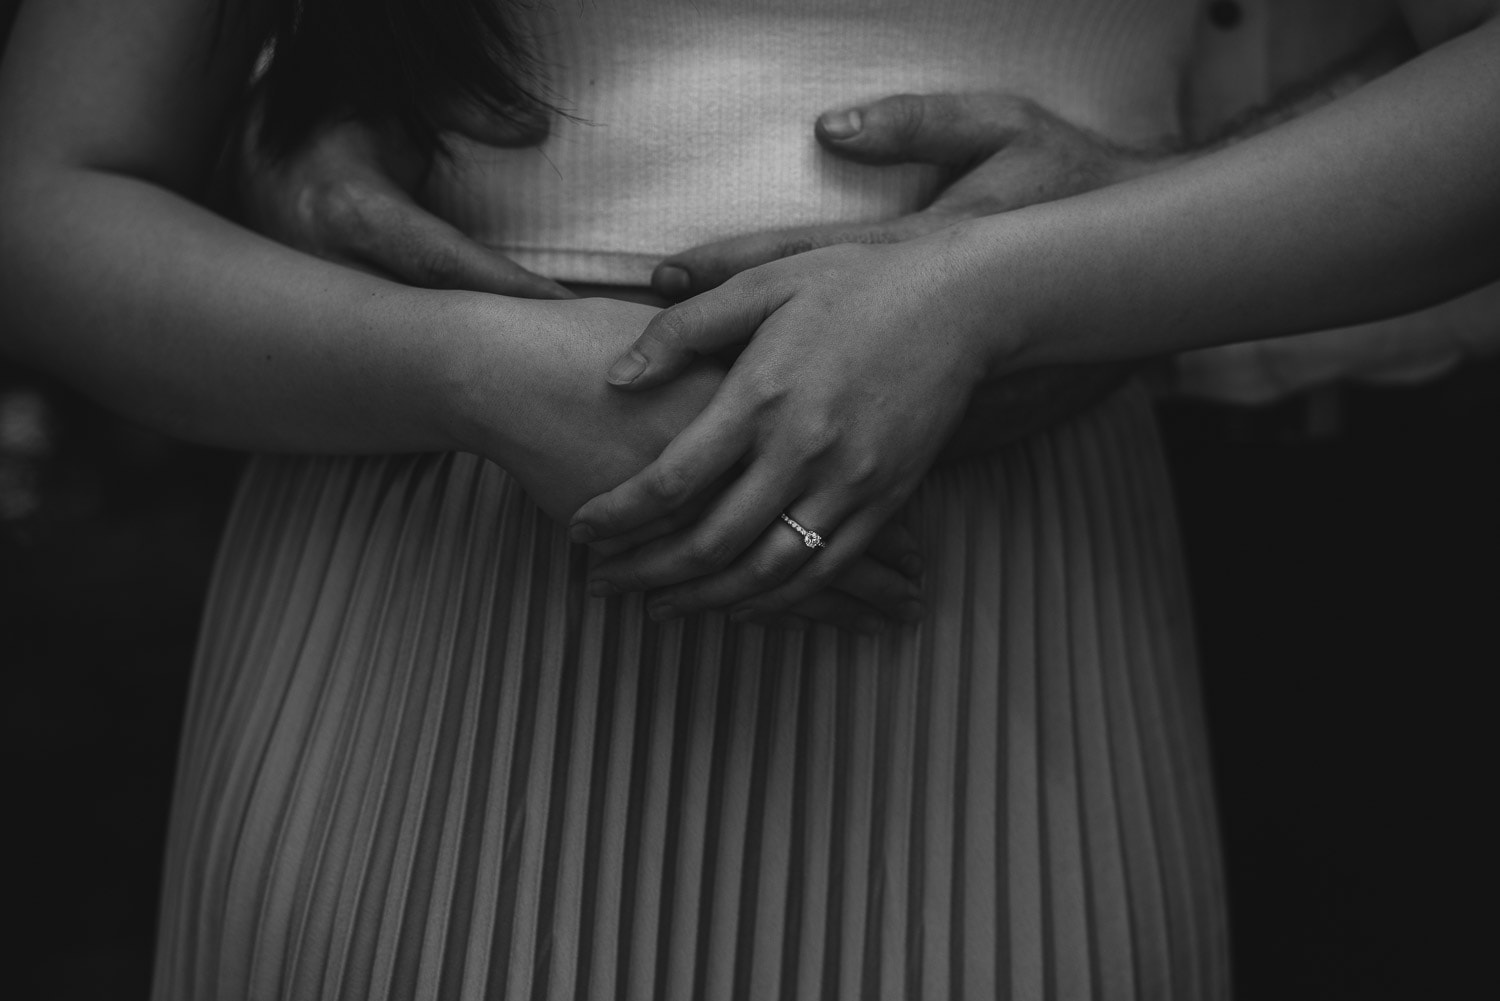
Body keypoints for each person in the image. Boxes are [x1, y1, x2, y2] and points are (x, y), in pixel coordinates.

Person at [1, 4, 1495, 1001]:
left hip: (989, 600)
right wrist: (462, 365)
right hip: (435, 575)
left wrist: (1039, 283)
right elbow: (47, 186)